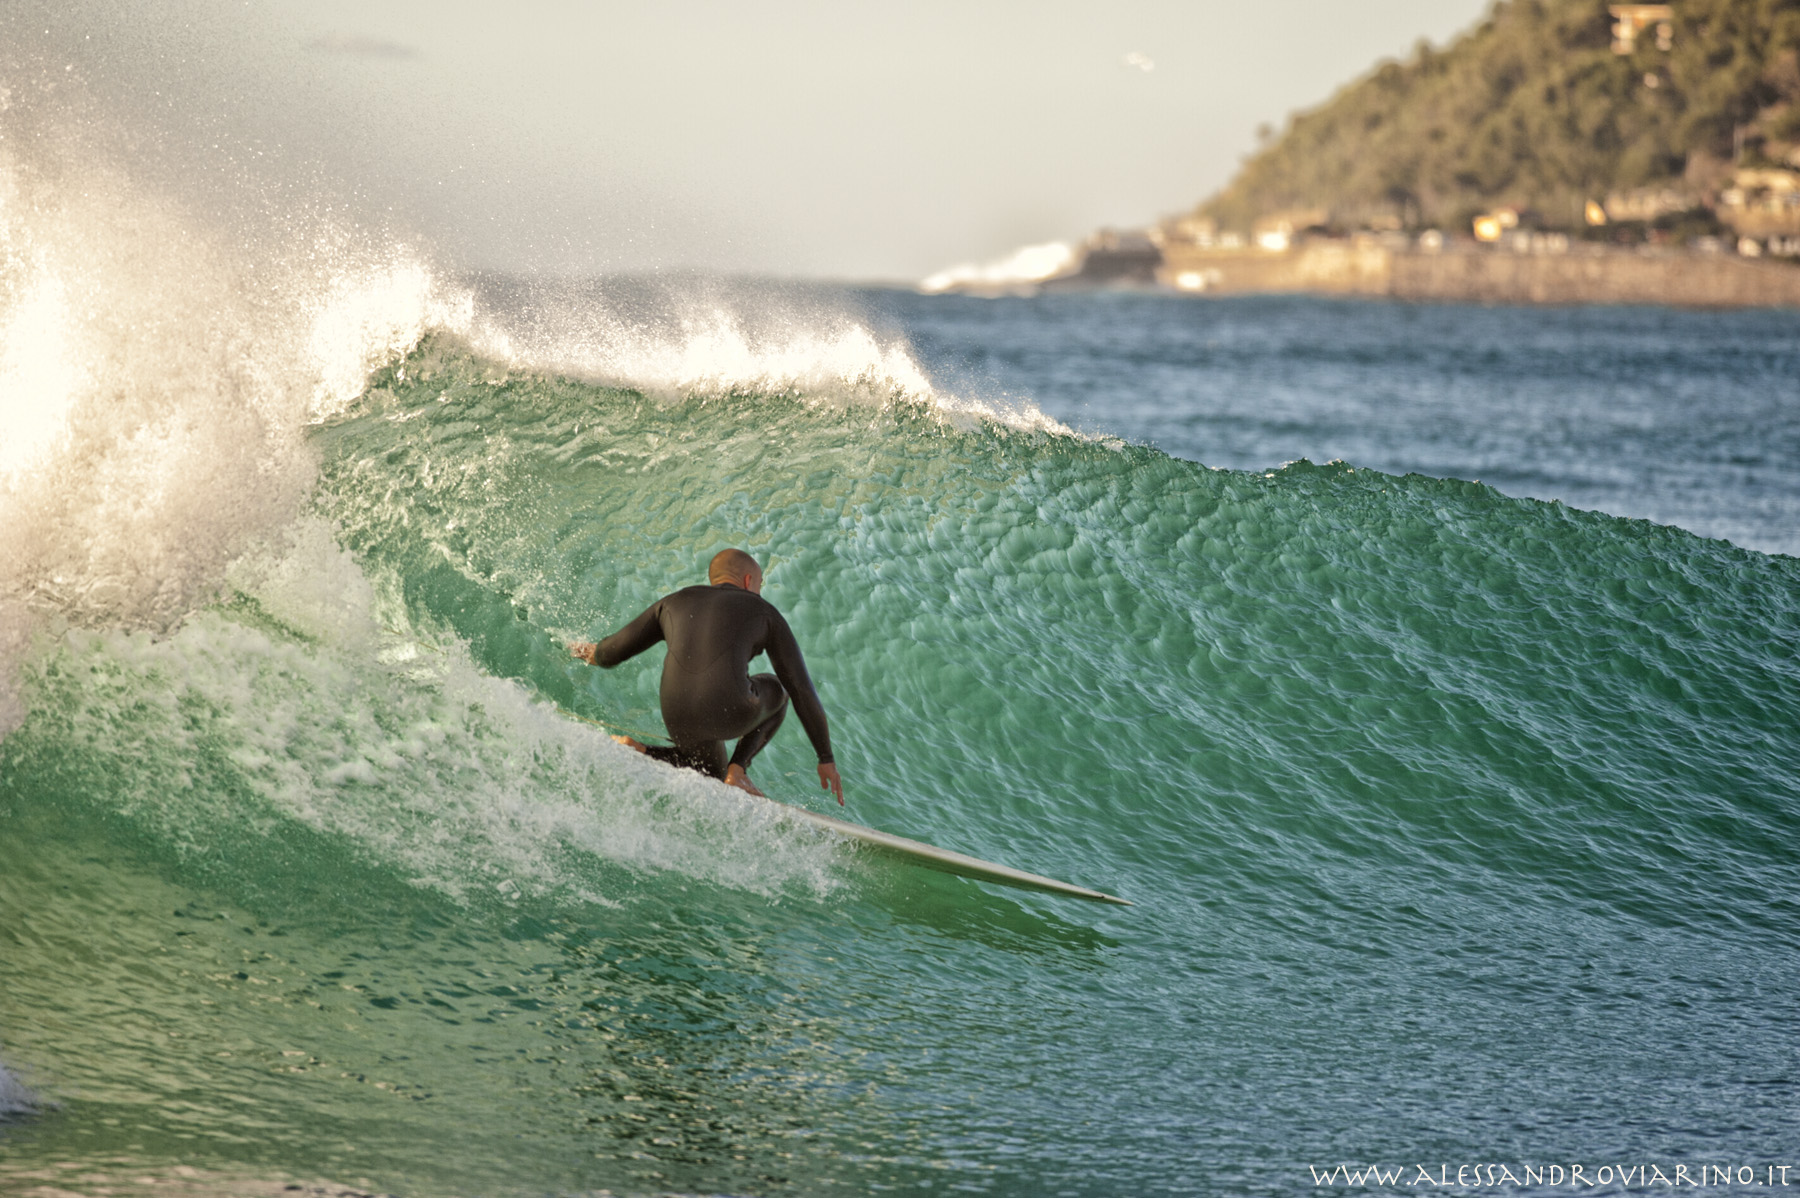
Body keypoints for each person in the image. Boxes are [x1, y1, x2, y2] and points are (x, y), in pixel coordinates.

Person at [570, 549, 844, 804]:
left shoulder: (673, 601)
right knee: (780, 689)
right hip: (729, 708)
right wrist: (825, 757)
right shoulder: (763, 611)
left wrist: (590, 653)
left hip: (676, 712)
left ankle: (639, 751)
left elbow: (611, 653)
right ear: (749, 581)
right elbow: (800, 688)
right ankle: (738, 771)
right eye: (760, 584)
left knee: (707, 773)